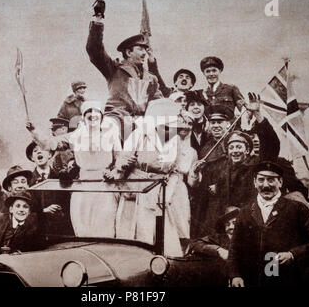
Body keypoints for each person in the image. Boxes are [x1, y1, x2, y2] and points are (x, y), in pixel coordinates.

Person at [188, 93, 280, 237]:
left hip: (249, 215)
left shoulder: (255, 164)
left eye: (239, 147)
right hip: (220, 215)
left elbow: (271, 145)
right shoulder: (215, 159)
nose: (235, 151)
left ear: (247, 149)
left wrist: (257, 114)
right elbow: (204, 186)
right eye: (232, 147)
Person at [27, 101, 123, 238]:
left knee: (105, 224)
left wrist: (113, 173)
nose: (93, 115)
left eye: (96, 112)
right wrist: (34, 131)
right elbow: (50, 144)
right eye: (88, 113)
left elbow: (119, 158)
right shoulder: (75, 136)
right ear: (83, 117)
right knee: (83, 225)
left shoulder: (111, 135)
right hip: (82, 187)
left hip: (104, 186)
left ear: (101, 116)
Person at [115, 99, 196, 256]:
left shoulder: (176, 140)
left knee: (163, 230)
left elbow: (176, 169)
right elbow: (121, 160)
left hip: (162, 190)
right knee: (137, 230)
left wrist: (169, 189)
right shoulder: (140, 134)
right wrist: (125, 163)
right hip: (138, 188)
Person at [228, 161, 309, 287]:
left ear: (281, 182)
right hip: (253, 280)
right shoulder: (245, 212)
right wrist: (235, 275)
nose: (266, 185)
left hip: (288, 280)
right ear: (254, 182)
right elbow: (234, 248)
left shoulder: (297, 209)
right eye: (261, 180)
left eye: (271, 180)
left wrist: (293, 254)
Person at [86, 0, 162, 139]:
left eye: (146, 49)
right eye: (140, 49)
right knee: (108, 139)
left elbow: (159, 103)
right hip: (116, 120)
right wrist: (97, 20)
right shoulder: (114, 69)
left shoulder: (151, 78)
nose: (145, 53)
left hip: (141, 125)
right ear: (128, 52)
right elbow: (94, 50)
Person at [25, 141, 75, 236]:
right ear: (32, 158)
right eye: (35, 151)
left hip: (60, 230)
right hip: (38, 231)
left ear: (49, 154)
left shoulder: (60, 177)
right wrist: (43, 211)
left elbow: (68, 203)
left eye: (43, 150)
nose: (39, 152)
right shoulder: (29, 181)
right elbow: (28, 209)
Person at [190, 206, 239, 286]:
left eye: (235, 223)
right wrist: (218, 250)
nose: (231, 227)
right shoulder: (219, 238)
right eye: (227, 224)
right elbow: (195, 244)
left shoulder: (249, 238)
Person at [185, 90, 211, 155]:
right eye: (192, 105)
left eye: (199, 104)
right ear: (187, 108)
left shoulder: (210, 126)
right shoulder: (182, 127)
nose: (196, 107)